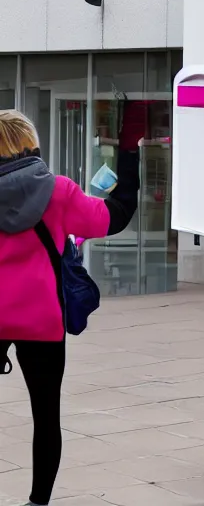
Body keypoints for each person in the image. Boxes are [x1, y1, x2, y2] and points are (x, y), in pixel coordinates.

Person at [0, 109, 140, 505]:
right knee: (46, 418)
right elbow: (116, 216)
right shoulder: (59, 192)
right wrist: (128, 150)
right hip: (42, 323)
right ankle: (38, 502)